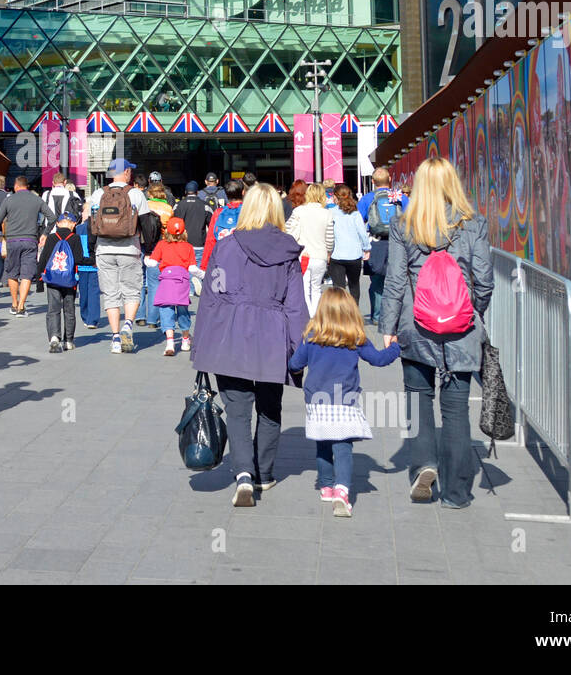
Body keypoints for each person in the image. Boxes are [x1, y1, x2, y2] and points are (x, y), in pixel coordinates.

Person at [380, 156, 493, 508]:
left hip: (415, 327)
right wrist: (471, 312)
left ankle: (423, 466)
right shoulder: (473, 225)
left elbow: (396, 279)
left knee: (418, 400)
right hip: (461, 331)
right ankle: (457, 493)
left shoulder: (404, 225)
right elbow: (485, 281)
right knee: (456, 411)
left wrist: (388, 326)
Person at [190, 183, 309, 507]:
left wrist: (200, 344)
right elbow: (295, 305)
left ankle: (242, 474)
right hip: (272, 337)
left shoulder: (225, 247)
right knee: (270, 408)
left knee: (238, 410)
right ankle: (264, 474)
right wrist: (302, 350)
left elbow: (211, 297)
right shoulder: (287, 251)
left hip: (229, 335)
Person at [288, 288, 400, 517]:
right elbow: (379, 360)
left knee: (323, 444)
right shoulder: (355, 337)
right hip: (344, 401)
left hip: (317, 402)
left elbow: (294, 364)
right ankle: (342, 491)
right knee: (343, 448)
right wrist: (396, 347)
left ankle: (327, 486)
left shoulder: (311, 337)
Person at [87, 157, 147, 354]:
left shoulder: (97, 194)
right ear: (127, 173)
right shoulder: (136, 194)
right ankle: (128, 325)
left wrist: (92, 248)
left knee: (110, 294)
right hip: (129, 249)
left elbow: (91, 225)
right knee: (132, 290)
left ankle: (114, 338)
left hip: (104, 250)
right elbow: (146, 224)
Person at [0, 175, 55, 316]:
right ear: (27, 186)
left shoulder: (9, 200)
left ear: (16, 186)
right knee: (26, 274)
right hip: (30, 240)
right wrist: (44, 234)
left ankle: (14, 304)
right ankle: (21, 306)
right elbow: (52, 217)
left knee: (12, 272)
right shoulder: (37, 200)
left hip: (12, 241)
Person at [357, 167, 407, 324]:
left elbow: (359, 221)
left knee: (377, 281)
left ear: (372, 182)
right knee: (397, 280)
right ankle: (395, 316)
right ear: (390, 179)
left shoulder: (367, 199)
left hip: (376, 243)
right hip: (398, 243)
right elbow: (410, 218)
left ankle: (377, 316)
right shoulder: (399, 197)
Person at [36, 211, 91, 352]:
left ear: (58, 224)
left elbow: (43, 259)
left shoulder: (52, 238)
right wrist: (93, 261)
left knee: (53, 309)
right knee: (69, 310)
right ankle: (69, 340)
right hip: (69, 280)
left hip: (53, 279)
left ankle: (54, 337)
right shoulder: (75, 238)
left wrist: (39, 281)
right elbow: (79, 259)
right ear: (73, 224)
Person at [147, 216, 196, 356]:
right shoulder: (188, 247)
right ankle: (185, 339)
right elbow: (192, 268)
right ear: (184, 231)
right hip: (182, 282)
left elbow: (152, 263)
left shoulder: (162, 244)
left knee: (166, 311)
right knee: (183, 311)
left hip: (166, 282)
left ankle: (170, 342)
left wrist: (145, 260)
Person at [286, 183, 334, 316]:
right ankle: (315, 315)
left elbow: (288, 231)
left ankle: (308, 315)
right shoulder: (327, 214)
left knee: (305, 288)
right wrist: (329, 252)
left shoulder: (298, 211)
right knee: (317, 287)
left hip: (303, 255)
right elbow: (330, 239)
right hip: (320, 255)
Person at [327, 184, 370, 306]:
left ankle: (340, 315)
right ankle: (354, 312)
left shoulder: (331, 212)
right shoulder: (355, 213)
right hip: (354, 254)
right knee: (354, 285)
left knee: (338, 289)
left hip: (337, 254)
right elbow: (362, 233)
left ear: (335, 197)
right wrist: (366, 248)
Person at [138, 181, 172, 327]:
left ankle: (139, 316)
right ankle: (153, 319)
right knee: (154, 283)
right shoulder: (168, 209)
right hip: (159, 247)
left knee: (139, 281)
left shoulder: (144, 205)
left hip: (141, 244)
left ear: (150, 194)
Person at [199, 178, 244, 269]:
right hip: (244, 260)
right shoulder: (248, 211)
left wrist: (204, 266)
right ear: (243, 192)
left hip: (223, 260)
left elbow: (210, 241)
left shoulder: (219, 212)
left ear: (226, 195)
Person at [74, 207, 100, 328]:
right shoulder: (98, 229)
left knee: (83, 292)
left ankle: (85, 316)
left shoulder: (78, 229)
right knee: (94, 292)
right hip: (94, 265)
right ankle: (93, 319)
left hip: (81, 265)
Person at [172, 180, 213, 250]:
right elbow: (212, 226)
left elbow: (172, 224)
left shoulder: (178, 205)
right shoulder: (205, 206)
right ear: (197, 192)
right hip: (199, 244)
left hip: (182, 244)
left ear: (185, 192)